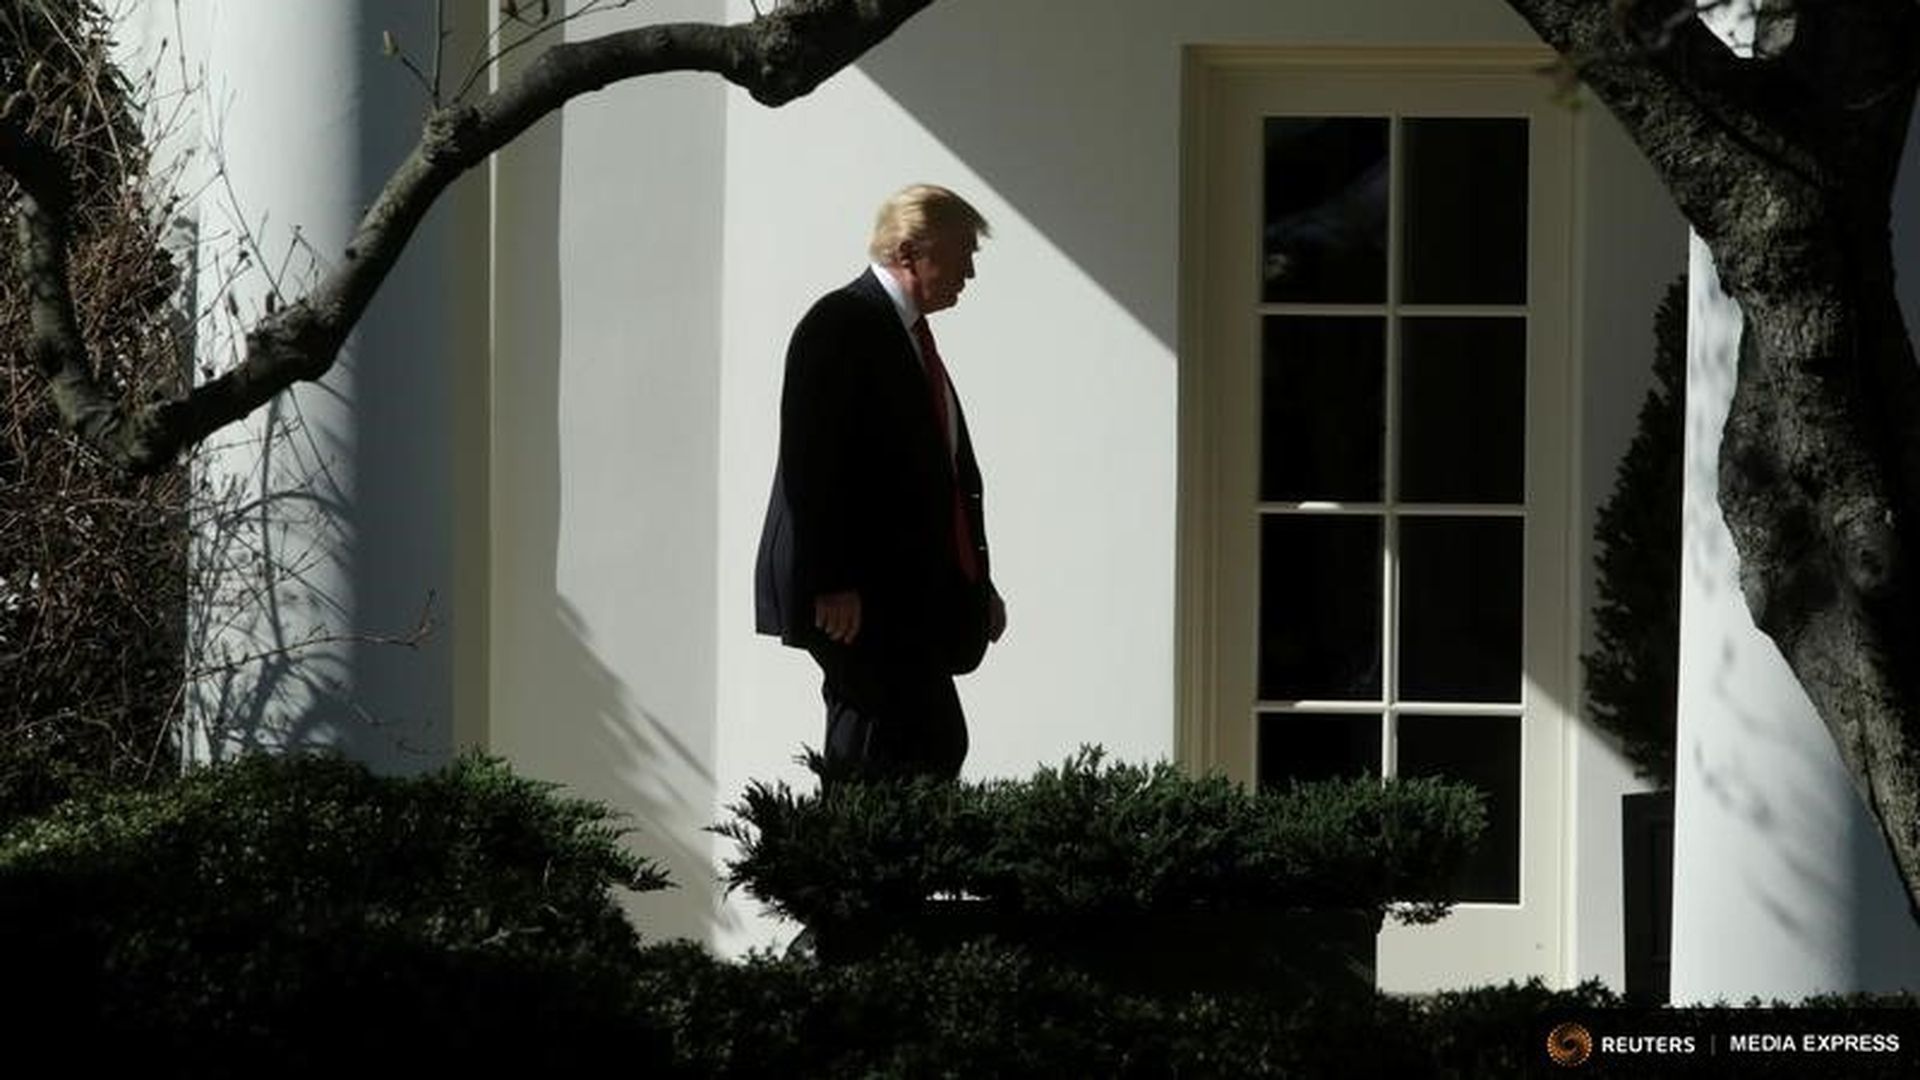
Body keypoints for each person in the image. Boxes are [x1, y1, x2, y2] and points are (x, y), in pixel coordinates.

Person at [754, 184, 1006, 781]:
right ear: (909, 251)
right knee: (886, 746)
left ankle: (866, 845)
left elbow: (939, 479)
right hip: (857, 595)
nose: (970, 272)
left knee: (921, 743)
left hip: (899, 592)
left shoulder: (903, 334)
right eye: (962, 253)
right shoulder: (842, 323)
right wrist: (831, 579)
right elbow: (812, 458)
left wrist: (975, 582)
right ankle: (850, 848)